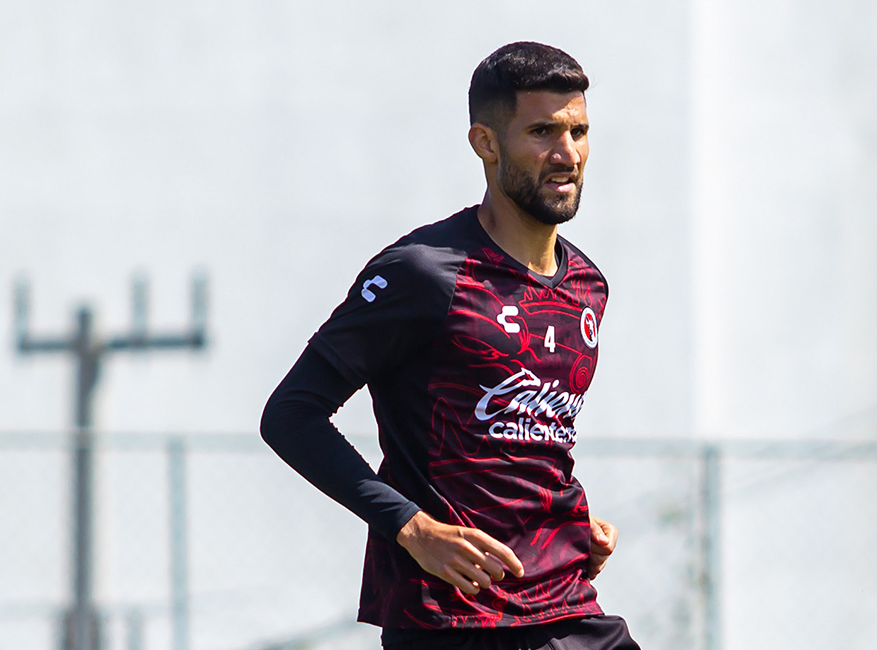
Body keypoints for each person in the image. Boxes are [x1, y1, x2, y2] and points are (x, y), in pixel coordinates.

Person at [261, 41, 640, 650]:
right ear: (486, 144)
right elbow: (290, 416)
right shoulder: (425, 273)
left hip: (564, 603)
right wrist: (412, 528)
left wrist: (567, 524)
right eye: (542, 132)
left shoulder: (586, 285)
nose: (567, 154)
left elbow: (526, 442)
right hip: (452, 620)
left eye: (579, 131)